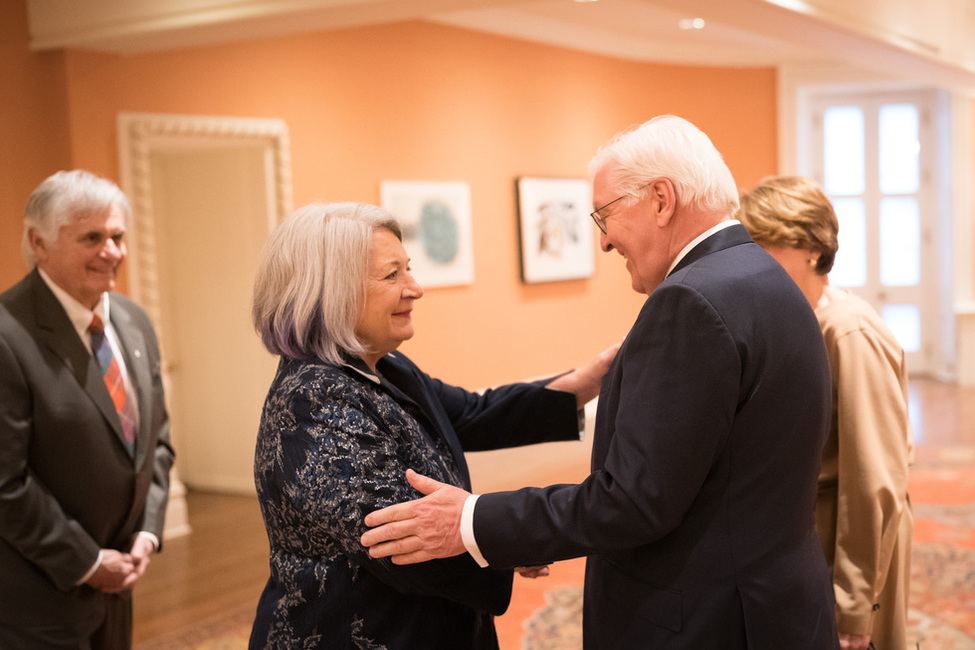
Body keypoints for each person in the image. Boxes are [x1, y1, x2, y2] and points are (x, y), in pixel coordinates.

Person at [361, 115, 841, 649]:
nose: (605, 241)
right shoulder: (762, 275)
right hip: (771, 605)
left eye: (604, 215)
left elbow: (634, 502)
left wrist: (472, 520)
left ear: (662, 199)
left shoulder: (690, 301)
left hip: (709, 618)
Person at [248, 201, 615, 650]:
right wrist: (500, 536)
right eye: (392, 275)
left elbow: (471, 413)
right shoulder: (314, 399)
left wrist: (587, 381)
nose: (415, 288)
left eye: (409, 269)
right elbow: (407, 543)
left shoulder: (385, 366)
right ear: (331, 291)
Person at [0, 170, 175, 649]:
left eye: (117, 236)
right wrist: (87, 562)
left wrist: (147, 531)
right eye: (91, 237)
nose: (112, 251)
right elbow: (5, 483)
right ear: (39, 243)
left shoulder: (134, 320)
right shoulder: (6, 335)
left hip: (120, 587)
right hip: (37, 600)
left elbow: (155, 442)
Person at [738, 175, 914, 650]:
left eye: (766, 248)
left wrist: (855, 604)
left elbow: (873, 479)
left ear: (813, 250)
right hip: (806, 536)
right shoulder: (800, 318)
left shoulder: (848, 330)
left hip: (846, 543)